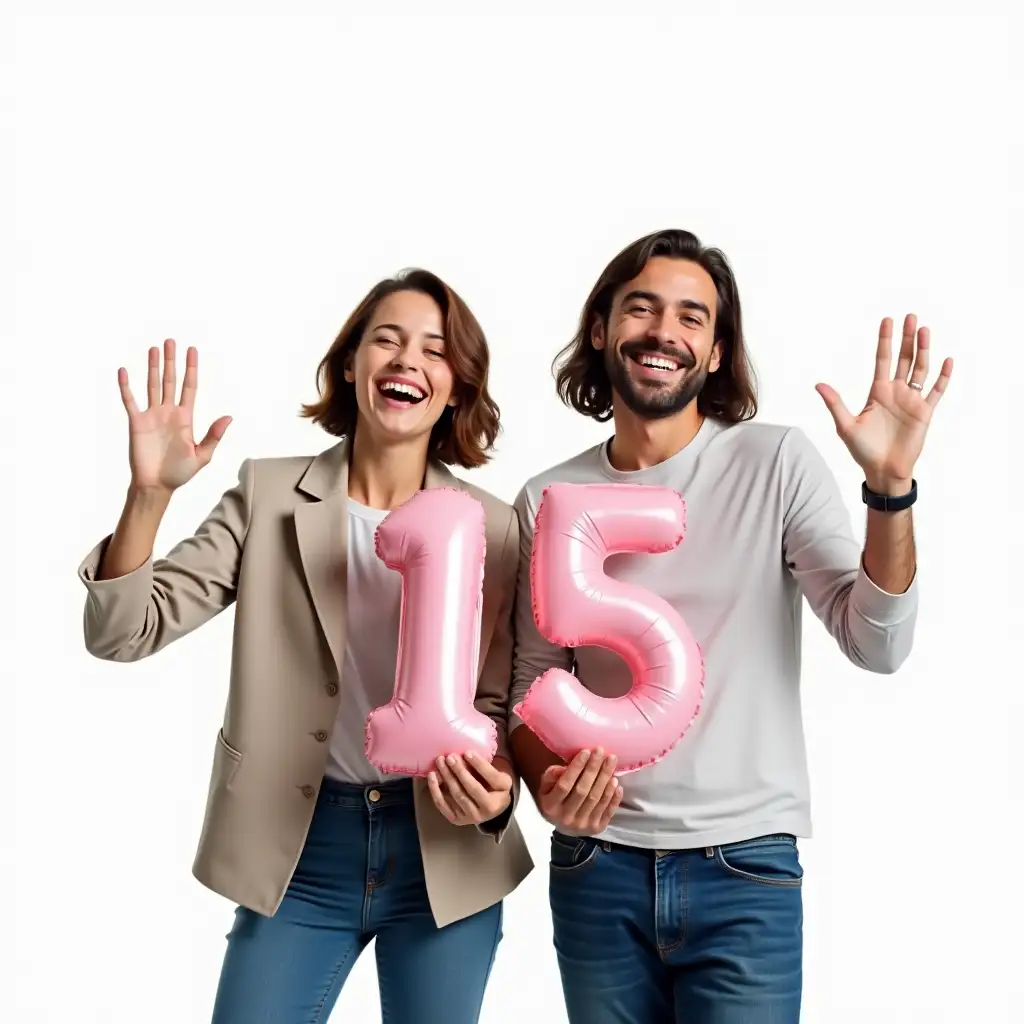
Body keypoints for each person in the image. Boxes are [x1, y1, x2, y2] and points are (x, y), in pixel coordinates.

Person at [508, 228, 952, 1023]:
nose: (664, 332)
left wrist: (890, 490)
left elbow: (878, 643)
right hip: (596, 867)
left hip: (744, 868)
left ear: (714, 353)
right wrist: (547, 788)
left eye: (691, 317)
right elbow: (528, 688)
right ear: (603, 329)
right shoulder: (547, 498)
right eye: (641, 307)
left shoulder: (773, 462)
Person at [78, 269, 533, 1024]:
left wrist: (494, 796)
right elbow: (122, 632)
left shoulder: (492, 527)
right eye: (385, 339)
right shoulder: (268, 494)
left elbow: (496, 704)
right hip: (300, 846)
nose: (405, 360)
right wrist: (150, 496)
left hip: (445, 855)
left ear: (456, 388)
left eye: (434, 349)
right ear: (349, 365)